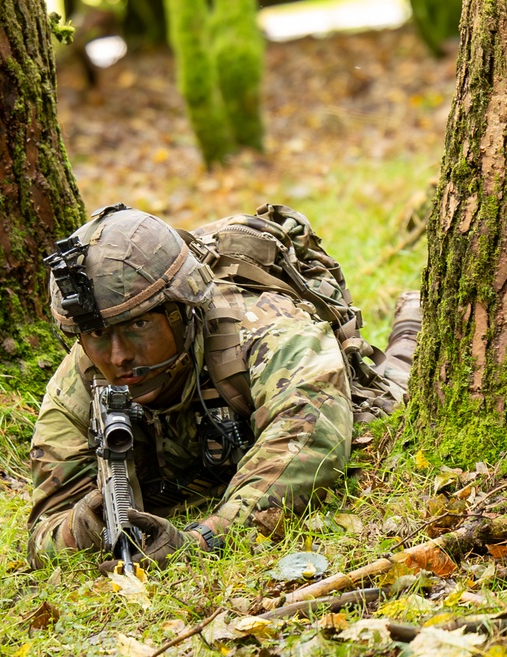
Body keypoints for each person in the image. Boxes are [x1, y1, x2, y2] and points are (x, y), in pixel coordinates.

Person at [27, 204, 420, 570]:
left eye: (138, 325)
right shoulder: (80, 380)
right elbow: (43, 527)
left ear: (181, 310)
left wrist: (203, 539)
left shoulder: (267, 331)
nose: (117, 358)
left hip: (315, 379)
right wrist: (83, 526)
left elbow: (309, 444)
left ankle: (413, 323)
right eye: (96, 334)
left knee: (391, 397)